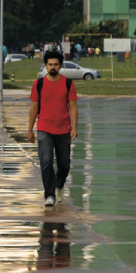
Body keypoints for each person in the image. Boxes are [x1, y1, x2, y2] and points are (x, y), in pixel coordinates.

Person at [27, 50, 78, 207]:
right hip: (44, 129)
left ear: (60, 65)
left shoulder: (68, 83)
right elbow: (34, 107)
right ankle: (49, 195)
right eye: (50, 64)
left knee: (64, 164)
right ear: (46, 65)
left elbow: (73, 107)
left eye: (56, 64)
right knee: (46, 161)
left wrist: (74, 128)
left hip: (63, 130)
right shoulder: (39, 84)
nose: (53, 67)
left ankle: (59, 185)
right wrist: (30, 129)